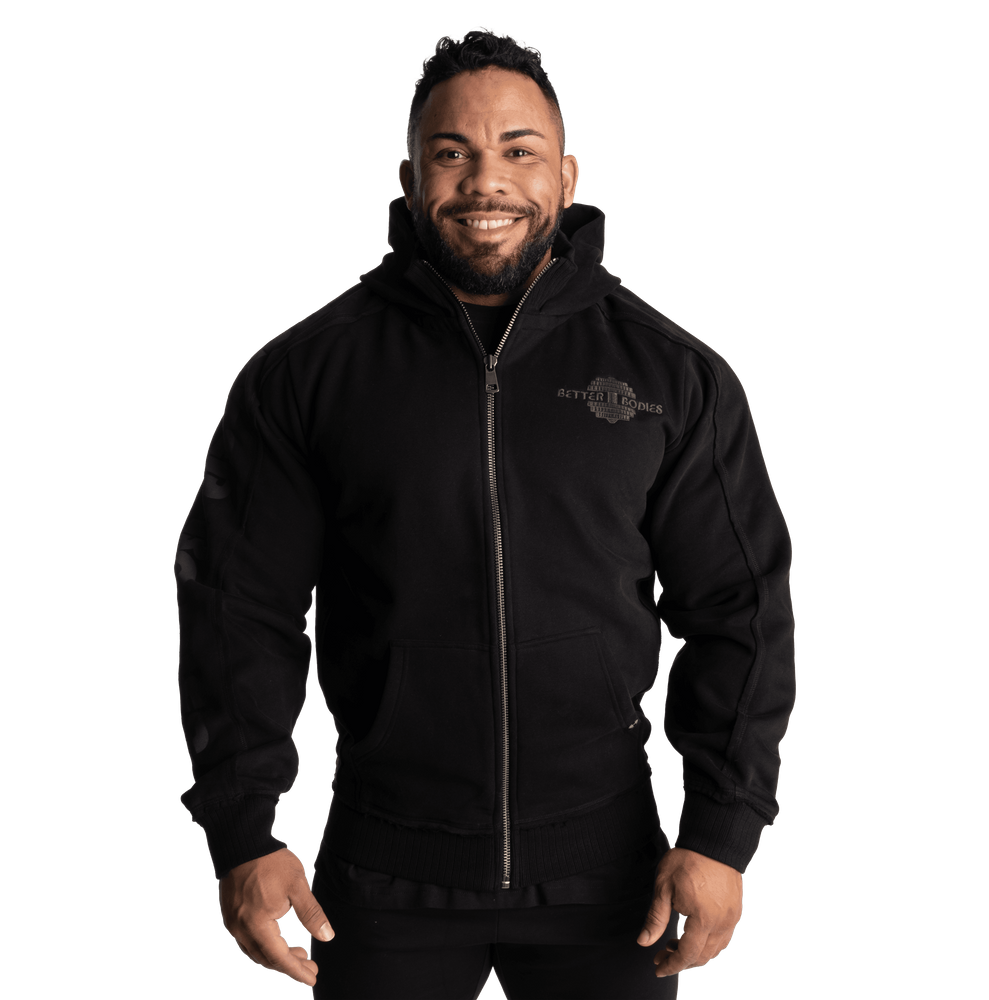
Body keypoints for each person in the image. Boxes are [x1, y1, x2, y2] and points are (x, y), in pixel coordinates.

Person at [174, 25, 797, 999]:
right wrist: (242, 830)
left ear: (567, 174)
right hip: (382, 875)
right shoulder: (305, 374)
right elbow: (235, 609)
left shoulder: (673, 374)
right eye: (452, 152)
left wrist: (722, 832)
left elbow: (742, 608)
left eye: (518, 150)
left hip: (613, 880)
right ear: (409, 175)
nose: (486, 182)